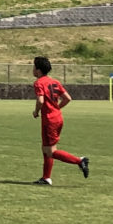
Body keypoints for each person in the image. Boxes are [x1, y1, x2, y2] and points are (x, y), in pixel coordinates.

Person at [33, 56, 88, 185]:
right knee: (46, 148)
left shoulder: (39, 83)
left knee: (50, 151)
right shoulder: (55, 82)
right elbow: (67, 98)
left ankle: (79, 161)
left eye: (34, 67)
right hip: (57, 117)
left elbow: (40, 100)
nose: (33, 69)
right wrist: (56, 108)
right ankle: (46, 178)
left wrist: (36, 111)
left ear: (38, 70)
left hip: (49, 120)